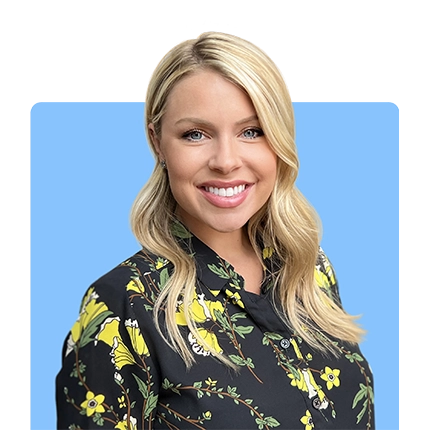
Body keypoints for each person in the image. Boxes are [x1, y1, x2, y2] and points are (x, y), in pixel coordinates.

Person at [56, 31, 374, 429]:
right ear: (158, 142)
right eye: (196, 134)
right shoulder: (123, 307)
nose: (226, 161)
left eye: (251, 131)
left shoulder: (309, 270)